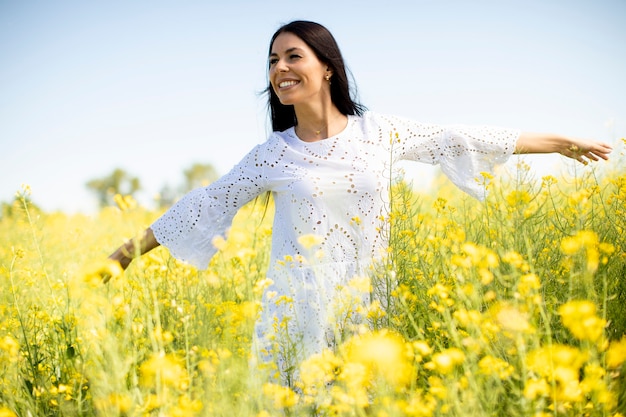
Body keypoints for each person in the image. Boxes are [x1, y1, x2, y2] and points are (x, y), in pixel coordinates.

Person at [106, 20, 612, 385]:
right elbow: (205, 204)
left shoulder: (379, 131)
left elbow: (462, 137)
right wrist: (124, 256)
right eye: (273, 61)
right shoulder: (272, 155)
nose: (279, 68)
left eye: (292, 56)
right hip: (295, 314)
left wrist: (562, 142)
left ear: (327, 68)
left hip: (369, 302)